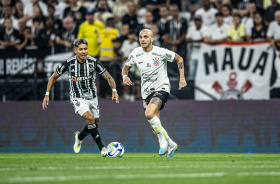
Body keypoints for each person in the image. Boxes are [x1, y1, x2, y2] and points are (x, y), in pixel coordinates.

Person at [42, 38, 119, 156]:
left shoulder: (94, 62)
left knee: (94, 124)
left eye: (85, 49)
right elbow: (54, 77)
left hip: (92, 97)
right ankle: (102, 148)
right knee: (90, 118)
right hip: (77, 97)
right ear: (75, 50)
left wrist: (114, 90)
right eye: (81, 49)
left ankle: (80, 136)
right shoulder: (69, 63)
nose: (84, 51)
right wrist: (47, 94)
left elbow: (108, 77)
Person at [122, 29, 187, 157]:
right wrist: (124, 76)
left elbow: (179, 59)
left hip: (161, 88)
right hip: (146, 92)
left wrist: (182, 78)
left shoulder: (160, 52)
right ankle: (172, 144)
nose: (142, 39)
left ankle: (162, 143)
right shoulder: (136, 53)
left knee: (149, 113)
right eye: (140, 37)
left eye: (146, 37)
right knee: (154, 124)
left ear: (152, 39)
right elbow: (125, 68)